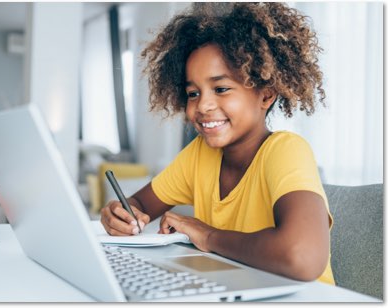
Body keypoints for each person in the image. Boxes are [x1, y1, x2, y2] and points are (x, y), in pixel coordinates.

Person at [100, 2, 334, 285]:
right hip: (235, 290)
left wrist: (207, 235)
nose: (203, 105)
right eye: (193, 93)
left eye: (221, 89)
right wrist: (122, 214)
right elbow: (139, 204)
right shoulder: (199, 155)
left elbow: (302, 256)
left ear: (266, 94)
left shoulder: (286, 151)